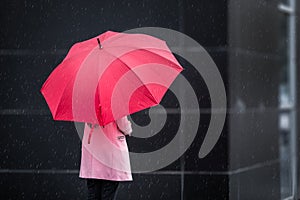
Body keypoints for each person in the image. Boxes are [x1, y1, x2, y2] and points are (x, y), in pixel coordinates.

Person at [79, 116, 133, 200]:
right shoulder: (115, 103)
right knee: (108, 193)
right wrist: (129, 128)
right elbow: (123, 125)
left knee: (93, 193)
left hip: (92, 152)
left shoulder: (87, 104)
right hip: (110, 154)